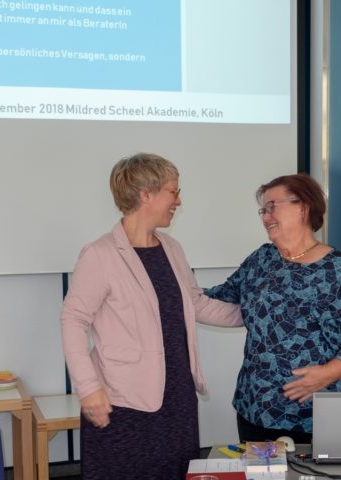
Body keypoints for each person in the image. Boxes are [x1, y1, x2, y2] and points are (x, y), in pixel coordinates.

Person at [61, 152, 242, 480]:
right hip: (122, 402)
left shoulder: (172, 248)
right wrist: (88, 389)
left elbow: (197, 304)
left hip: (177, 399)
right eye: (173, 191)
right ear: (146, 194)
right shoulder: (99, 254)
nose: (179, 200)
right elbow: (73, 320)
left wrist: (255, 316)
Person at [205, 173, 341, 444]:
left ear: (303, 207)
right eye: (262, 210)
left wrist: (331, 371)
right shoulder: (262, 259)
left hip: (314, 412)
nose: (265, 217)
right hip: (256, 408)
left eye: (272, 207)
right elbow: (221, 296)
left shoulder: (339, 269)